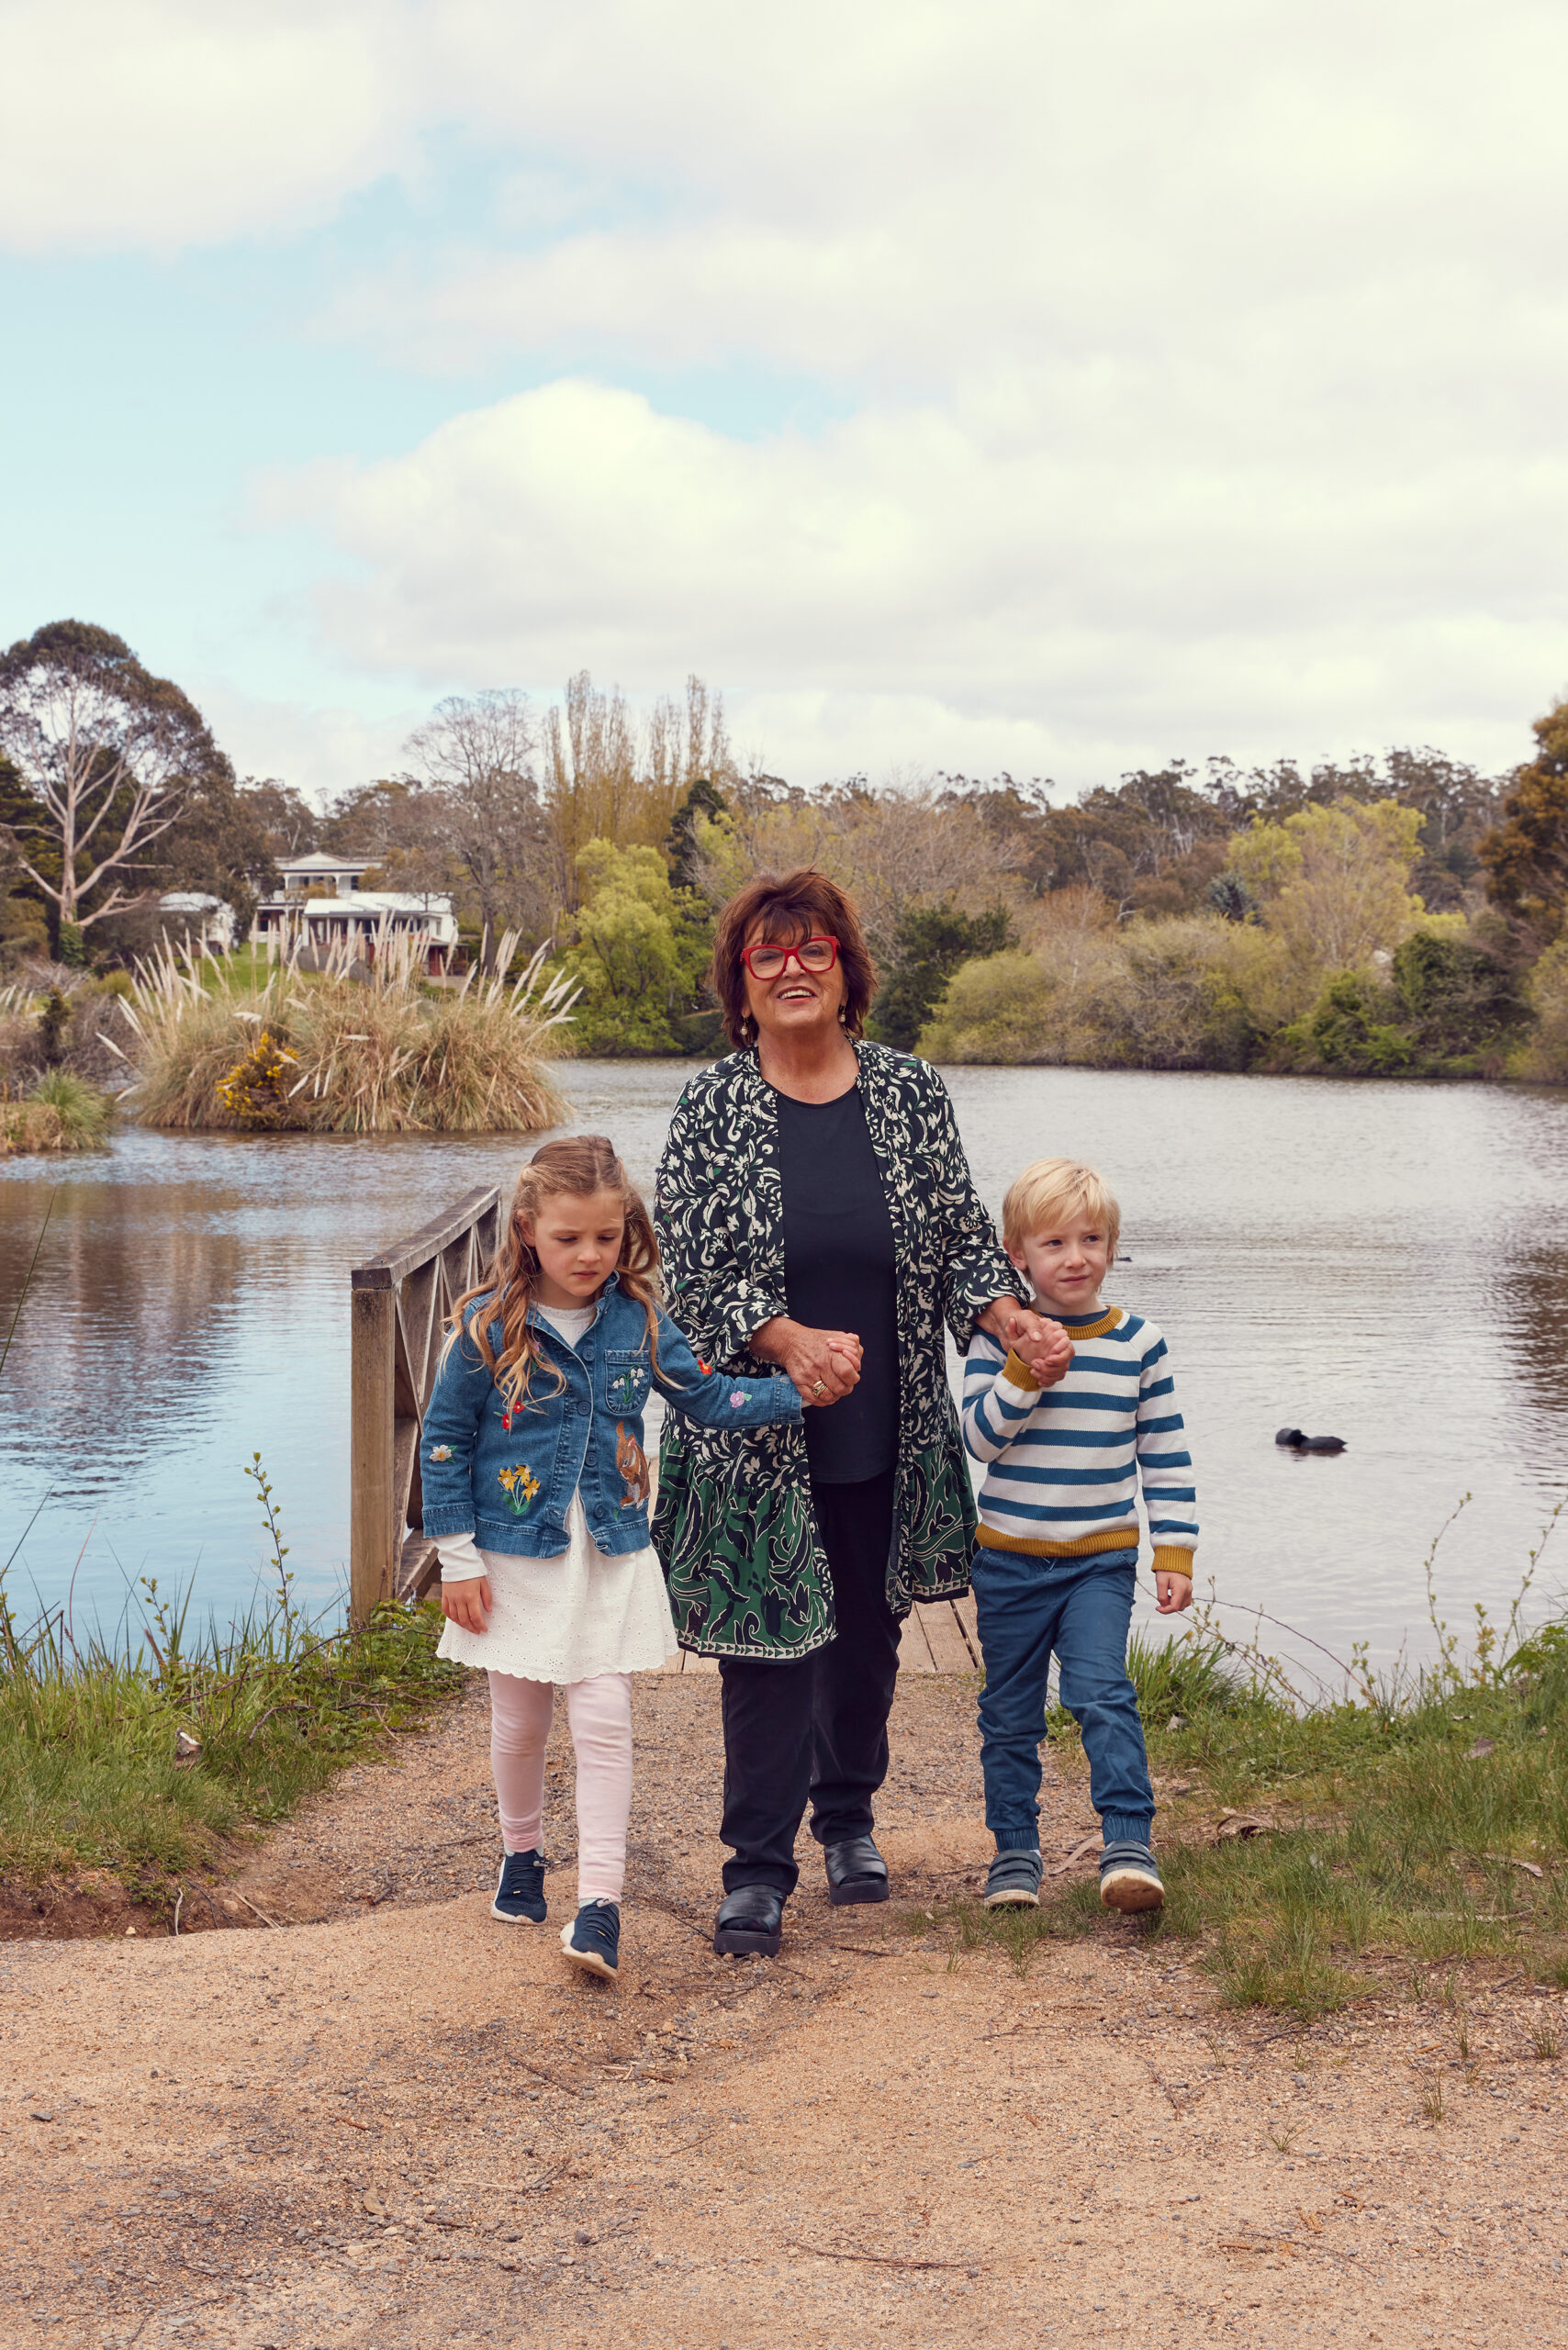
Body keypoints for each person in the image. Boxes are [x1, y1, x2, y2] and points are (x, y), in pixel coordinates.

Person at [654, 868, 1070, 1959]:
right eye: (766, 955)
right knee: (766, 1647)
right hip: (756, 1429)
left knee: (867, 1640)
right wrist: (782, 1339)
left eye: (813, 950)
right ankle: (755, 1872)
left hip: (887, 1423)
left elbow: (960, 1245)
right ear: (741, 986)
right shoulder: (711, 1104)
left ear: (846, 971)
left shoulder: (909, 1091)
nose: (791, 967)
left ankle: (847, 1821)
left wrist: (1008, 1318)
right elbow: (687, 1274)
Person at [420, 1134, 804, 1983]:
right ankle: (522, 1855)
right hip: (511, 1554)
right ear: (528, 1231)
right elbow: (443, 1444)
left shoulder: (638, 1323)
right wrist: (457, 1560)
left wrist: (797, 1391)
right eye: (569, 1239)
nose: (591, 1255)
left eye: (607, 1237)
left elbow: (706, 1395)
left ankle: (600, 1905)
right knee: (520, 1724)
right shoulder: (488, 1329)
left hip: (610, 1551)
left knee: (604, 1721)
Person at [960, 1155, 1198, 1916]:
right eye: (1055, 1244)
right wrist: (1026, 1369)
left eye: (1091, 1239)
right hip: (1007, 1561)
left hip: (1099, 1558)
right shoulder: (993, 1340)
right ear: (1017, 1254)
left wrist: (1174, 1552)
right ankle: (1014, 1855)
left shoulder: (1139, 1344)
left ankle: (1128, 1842)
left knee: (1102, 1692)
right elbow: (981, 1441)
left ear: (1113, 1246)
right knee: (1009, 1714)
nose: (1076, 1258)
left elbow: (1164, 1454)